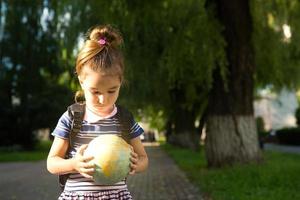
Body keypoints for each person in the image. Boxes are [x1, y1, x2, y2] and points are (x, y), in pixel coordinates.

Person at [47, 24, 148, 200]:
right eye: (95, 92)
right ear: (81, 81)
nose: (104, 99)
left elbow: (143, 159)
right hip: (77, 196)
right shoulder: (71, 118)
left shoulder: (124, 119)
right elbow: (52, 162)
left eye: (112, 91)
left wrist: (135, 164)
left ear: (120, 82)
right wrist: (74, 164)